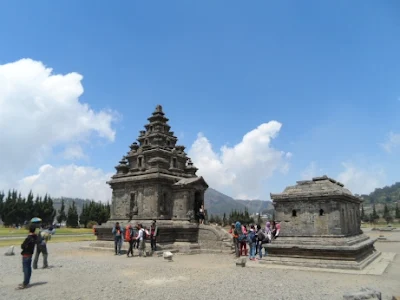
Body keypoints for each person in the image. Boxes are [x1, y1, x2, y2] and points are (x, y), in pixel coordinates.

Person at [18, 224, 38, 289]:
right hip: (30, 254)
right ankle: (27, 281)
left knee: (26, 269)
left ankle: (25, 283)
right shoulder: (35, 237)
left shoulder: (29, 238)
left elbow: (22, 246)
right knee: (28, 268)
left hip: (26, 254)